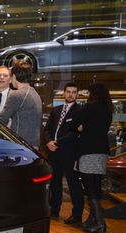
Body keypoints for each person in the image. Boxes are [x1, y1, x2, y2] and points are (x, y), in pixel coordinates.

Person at [71, 83, 113, 233]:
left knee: (89, 188)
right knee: (95, 186)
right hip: (102, 152)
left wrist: (82, 128)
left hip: (88, 151)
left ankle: (100, 222)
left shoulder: (90, 107)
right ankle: (92, 220)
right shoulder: (109, 109)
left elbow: (74, 123)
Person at [44, 82, 84, 224]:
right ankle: (54, 211)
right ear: (64, 93)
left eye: (74, 92)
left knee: (73, 184)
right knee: (55, 183)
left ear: (77, 94)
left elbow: (74, 133)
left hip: (69, 152)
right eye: (68, 91)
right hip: (53, 152)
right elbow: (47, 128)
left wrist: (57, 143)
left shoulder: (80, 110)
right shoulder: (56, 110)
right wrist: (49, 142)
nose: (71, 94)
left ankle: (77, 215)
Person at [0, 60, 43, 149]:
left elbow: (1, 120)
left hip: (20, 146)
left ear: (14, 76)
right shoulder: (35, 93)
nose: (10, 81)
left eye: (10, 77)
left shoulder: (17, 95)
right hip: (33, 146)